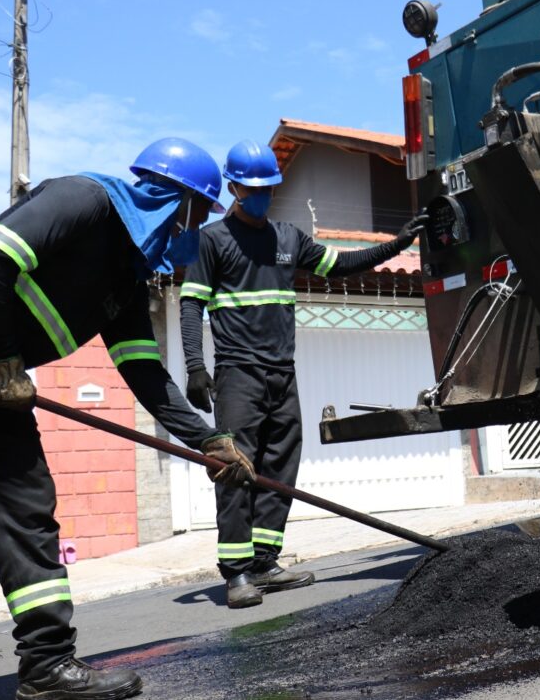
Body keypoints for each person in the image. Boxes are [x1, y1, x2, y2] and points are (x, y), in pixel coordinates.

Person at [0, 137, 256, 699]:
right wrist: (3, 362)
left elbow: (145, 372)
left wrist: (209, 440)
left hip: (0, 375)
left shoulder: (126, 280)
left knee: (25, 509)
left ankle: (47, 665)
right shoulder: (84, 199)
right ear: (178, 199)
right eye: (200, 212)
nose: (195, 229)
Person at [179, 139, 427, 609]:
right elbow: (191, 306)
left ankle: (265, 563)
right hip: (238, 375)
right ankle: (235, 574)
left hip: (282, 374)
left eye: (268, 188)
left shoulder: (289, 238)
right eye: (252, 189)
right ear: (233, 187)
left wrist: (399, 243)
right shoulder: (212, 241)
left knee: (281, 465)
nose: (261, 196)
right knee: (235, 469)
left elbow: (340, 265)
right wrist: (195, 367)